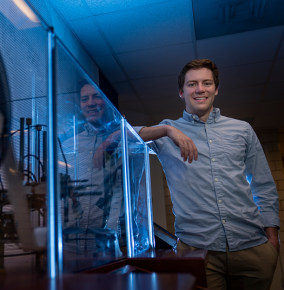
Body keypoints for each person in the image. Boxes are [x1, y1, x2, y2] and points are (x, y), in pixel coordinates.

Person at [132, 59, 280, 290]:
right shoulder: (166, 133)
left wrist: (273, 239)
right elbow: (122, 135)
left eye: (206, 83)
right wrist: (167, 129)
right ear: (181, 92)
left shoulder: (242, 129)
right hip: (197, 251)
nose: (200, 89)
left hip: (253, 248)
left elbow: (263, 184)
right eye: (192, 84)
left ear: (216, 89)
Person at [59, 79, 125, 256]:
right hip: (70, 244)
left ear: (108, 102)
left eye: (97, 97)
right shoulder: (67, 144)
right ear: (80, 105)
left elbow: (123, 193)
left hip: (107, 245)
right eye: (85, 99)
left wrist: (115, 137)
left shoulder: (124, 141)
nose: (91, 103)